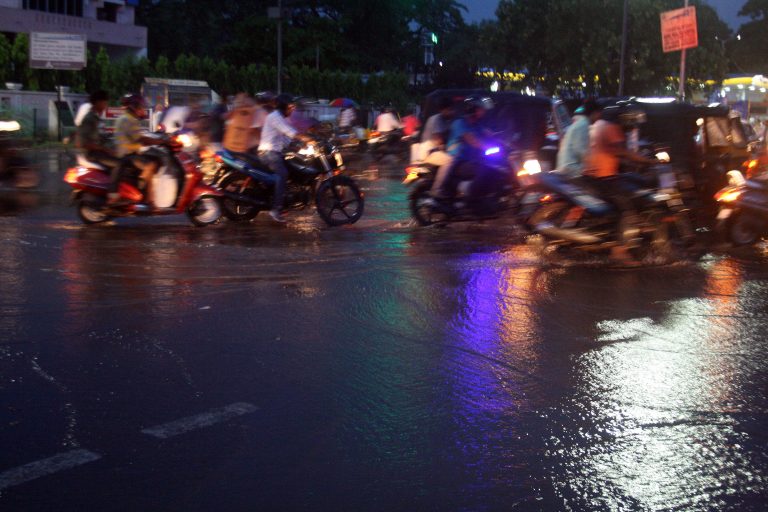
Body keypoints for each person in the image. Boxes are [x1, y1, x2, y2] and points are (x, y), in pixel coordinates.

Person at [257, 94, 312, 223]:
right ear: (283, 107)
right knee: (282, 174)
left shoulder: (281, 118)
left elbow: (287, 138)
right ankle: (276, 209)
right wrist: (306, 139)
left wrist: (299, 144)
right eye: (290, 107)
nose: (292, 110)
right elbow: (289, 132)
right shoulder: (274, 117)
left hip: (276, 152)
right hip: (268, 153)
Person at [432, 95, 494, 203]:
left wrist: (503, 140)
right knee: (482, 170)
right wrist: (487, 147)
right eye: (480, 109)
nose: (483, 112)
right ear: (473, 109)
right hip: (458, 160)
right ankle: (472, 200)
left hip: (471, 159)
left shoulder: (476, 124)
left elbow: (489, 133)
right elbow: (472, 141)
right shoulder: (459, 123)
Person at [114, 94, 164, 207]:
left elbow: (139, 135)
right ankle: (144, 194)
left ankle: (148, 196)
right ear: (134, 107)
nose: (143, 110)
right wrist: (160, 142)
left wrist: (157, 138)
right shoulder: (128, 119)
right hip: (127, 155)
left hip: (129, 152)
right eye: (141, 107)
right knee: (151, 165)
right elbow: (140, 139)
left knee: (155, 162)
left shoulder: (128, 118)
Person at [76, 90, 122, 204]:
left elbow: (103, 137)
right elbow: (83, 143)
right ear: (97, 103)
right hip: (93, 154)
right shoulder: (89, 119)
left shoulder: (97, 118)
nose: (106, 106)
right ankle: (113, 194)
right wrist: (106, 149)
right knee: (119, 164)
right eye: (104, 103)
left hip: (100, 152)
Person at [556, 99, 600, 178]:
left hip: (569, 169)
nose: (598, 118)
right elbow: (583, 152)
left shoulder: (581, 123)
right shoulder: (583, 125)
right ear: (594, 113)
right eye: (598, 115)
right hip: (572, 171)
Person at [417, 97, 453, 163]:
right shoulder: (437, 119)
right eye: (449, 110)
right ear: (442, 110)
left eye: (452, 110)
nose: (451, 112)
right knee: (450, 161)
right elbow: (438, 140)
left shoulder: (446, 120)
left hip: (434, 151)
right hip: (429, 152)